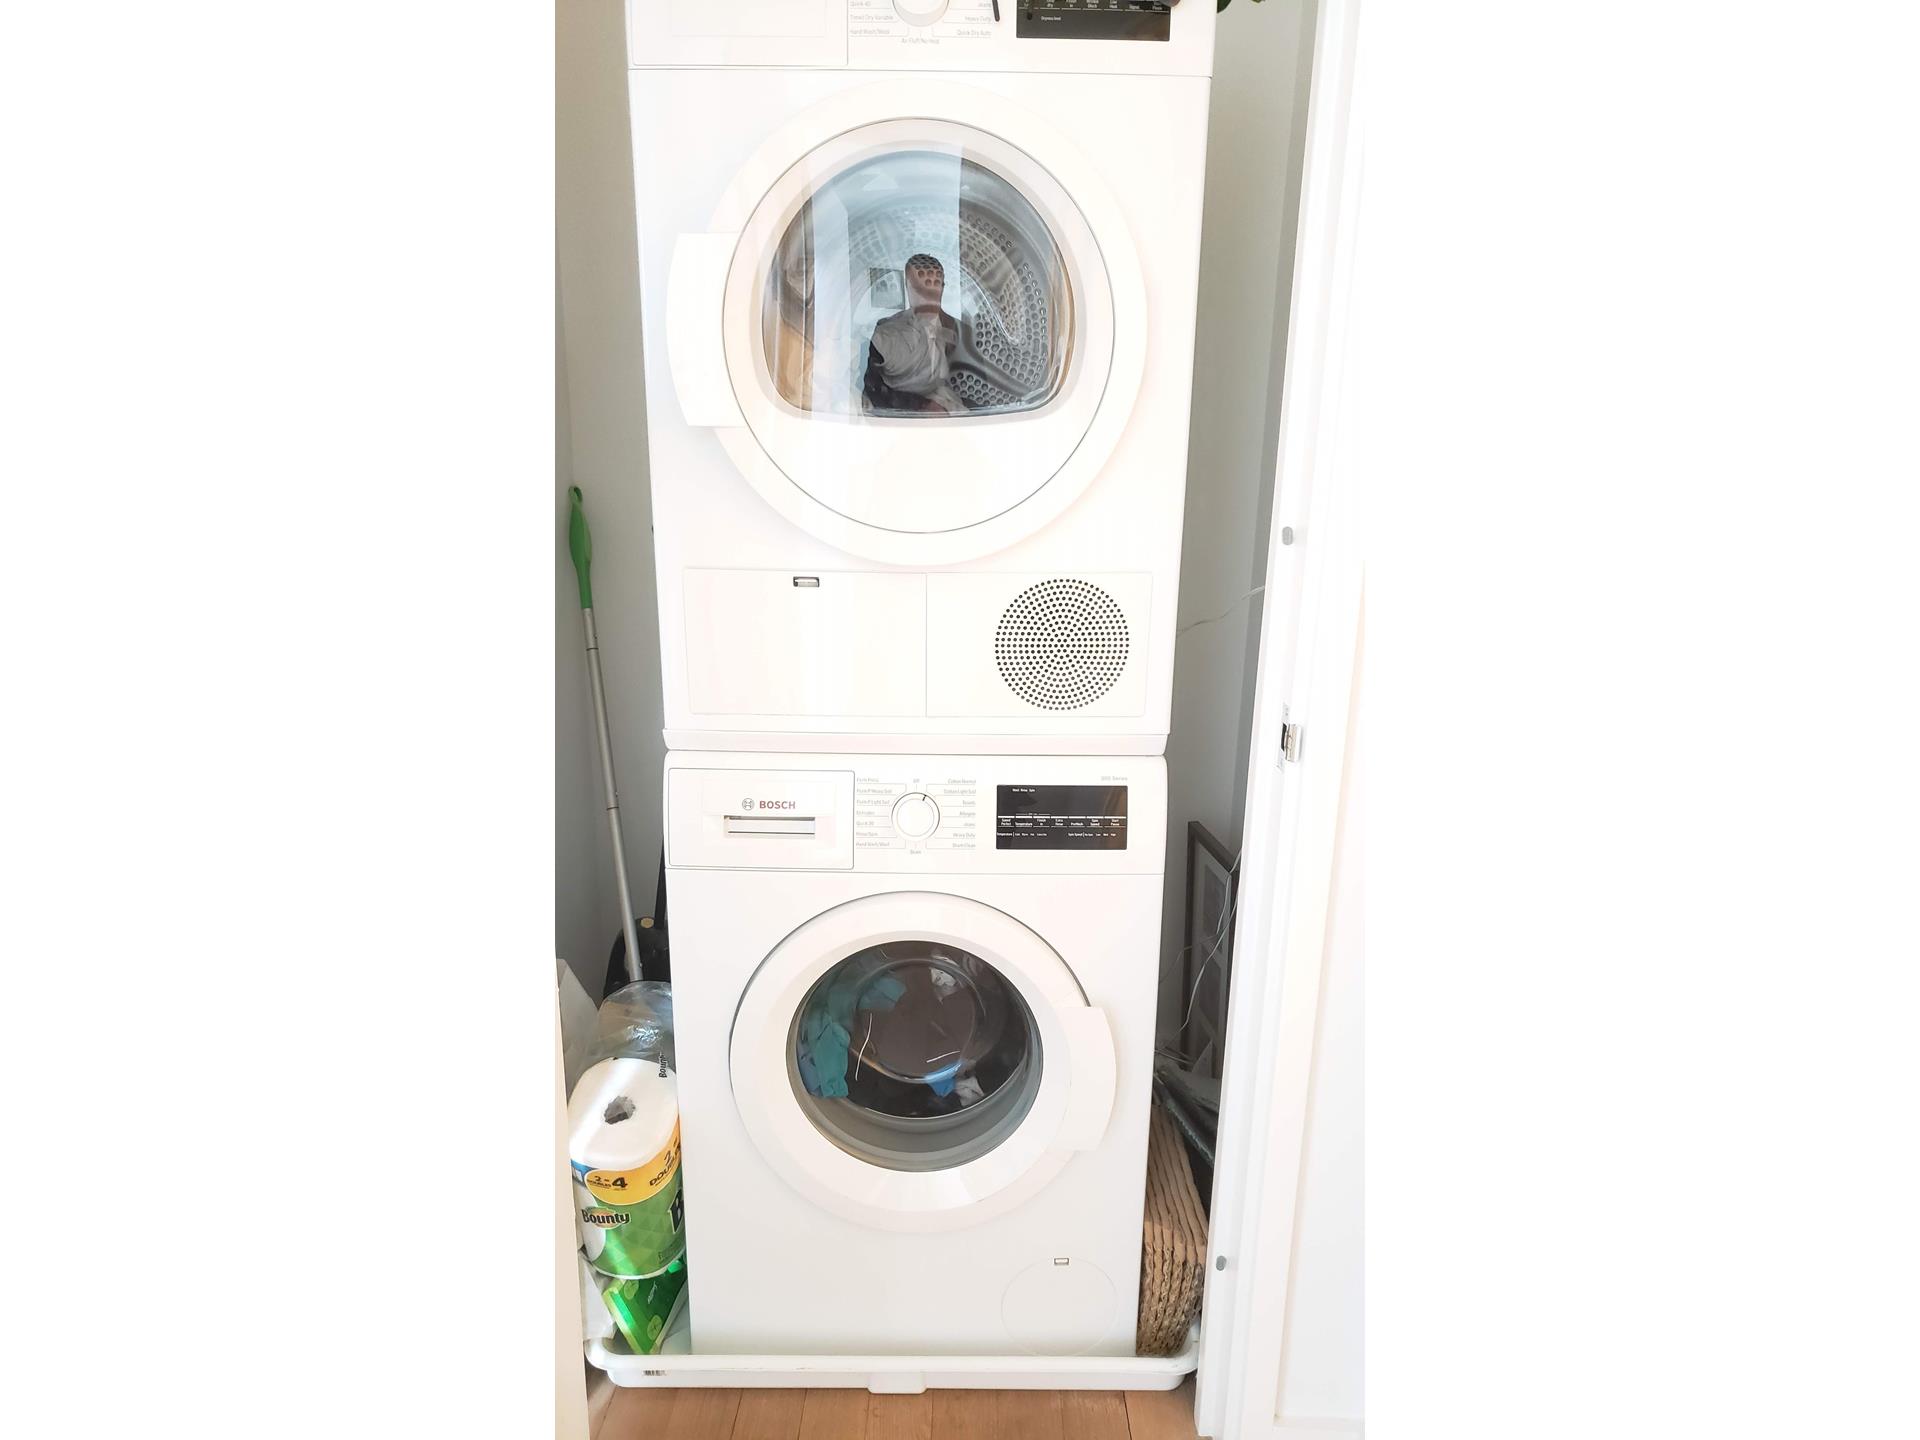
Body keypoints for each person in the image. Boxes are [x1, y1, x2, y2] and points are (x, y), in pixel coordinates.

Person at [862, 253, 967, 415]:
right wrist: (920, 405)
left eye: (935, 284)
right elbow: (870, 384)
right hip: (898, 413)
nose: (928, 294)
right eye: (921, 287)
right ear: (908, 287)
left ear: (943, 287)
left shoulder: (958, 330)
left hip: (947, 407)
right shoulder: (892, 334)